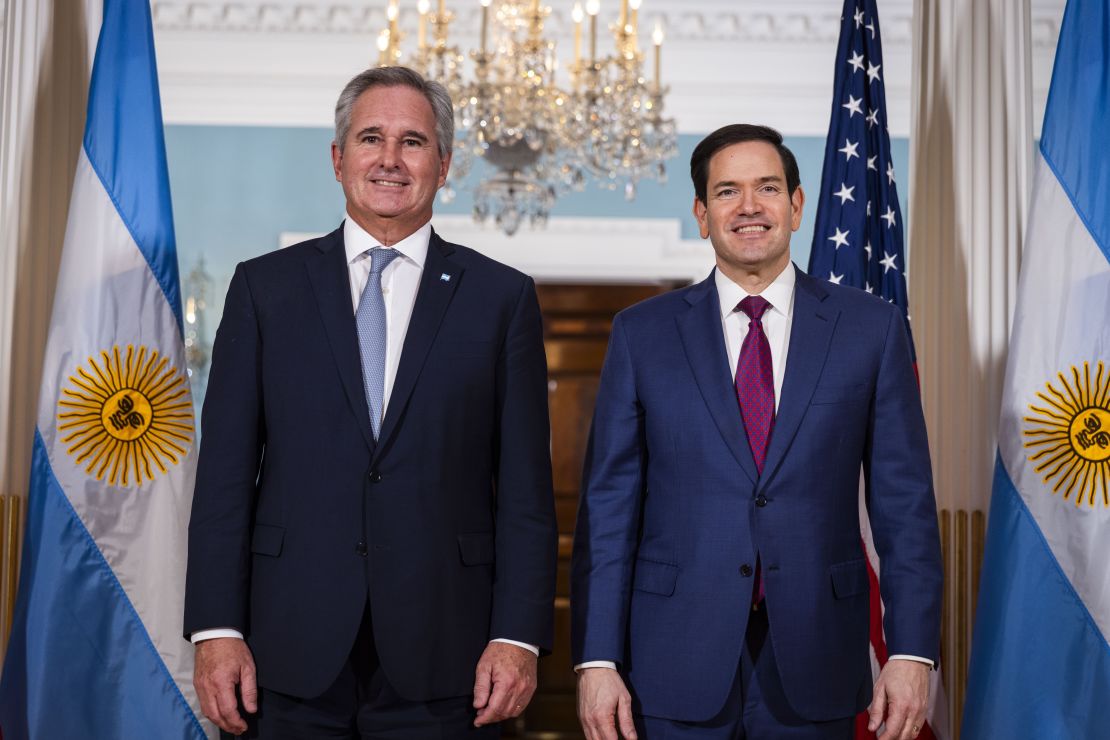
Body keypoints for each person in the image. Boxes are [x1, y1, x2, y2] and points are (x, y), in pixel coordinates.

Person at [184, 66, 557, 738]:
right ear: (338, 159)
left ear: (444, 164)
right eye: (370, 138)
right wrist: (216, 629)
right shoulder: (265, 290)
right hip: (283, 649)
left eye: (413, 142)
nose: (390, 159)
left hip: (450, 655)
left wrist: (518, 636)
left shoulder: (500, 299)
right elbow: (224, 479)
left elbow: (526, 493)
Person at [570, 124, 942, 740]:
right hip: (671, 658)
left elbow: (905, 506)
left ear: (796, 206)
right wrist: (597, 659)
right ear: (702, 214)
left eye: (767, 188)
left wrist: (911, 652)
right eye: (727, 191)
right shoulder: (641, 334)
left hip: (819, 654)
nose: (748, 206)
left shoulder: (870, 329)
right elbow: (608, 510)